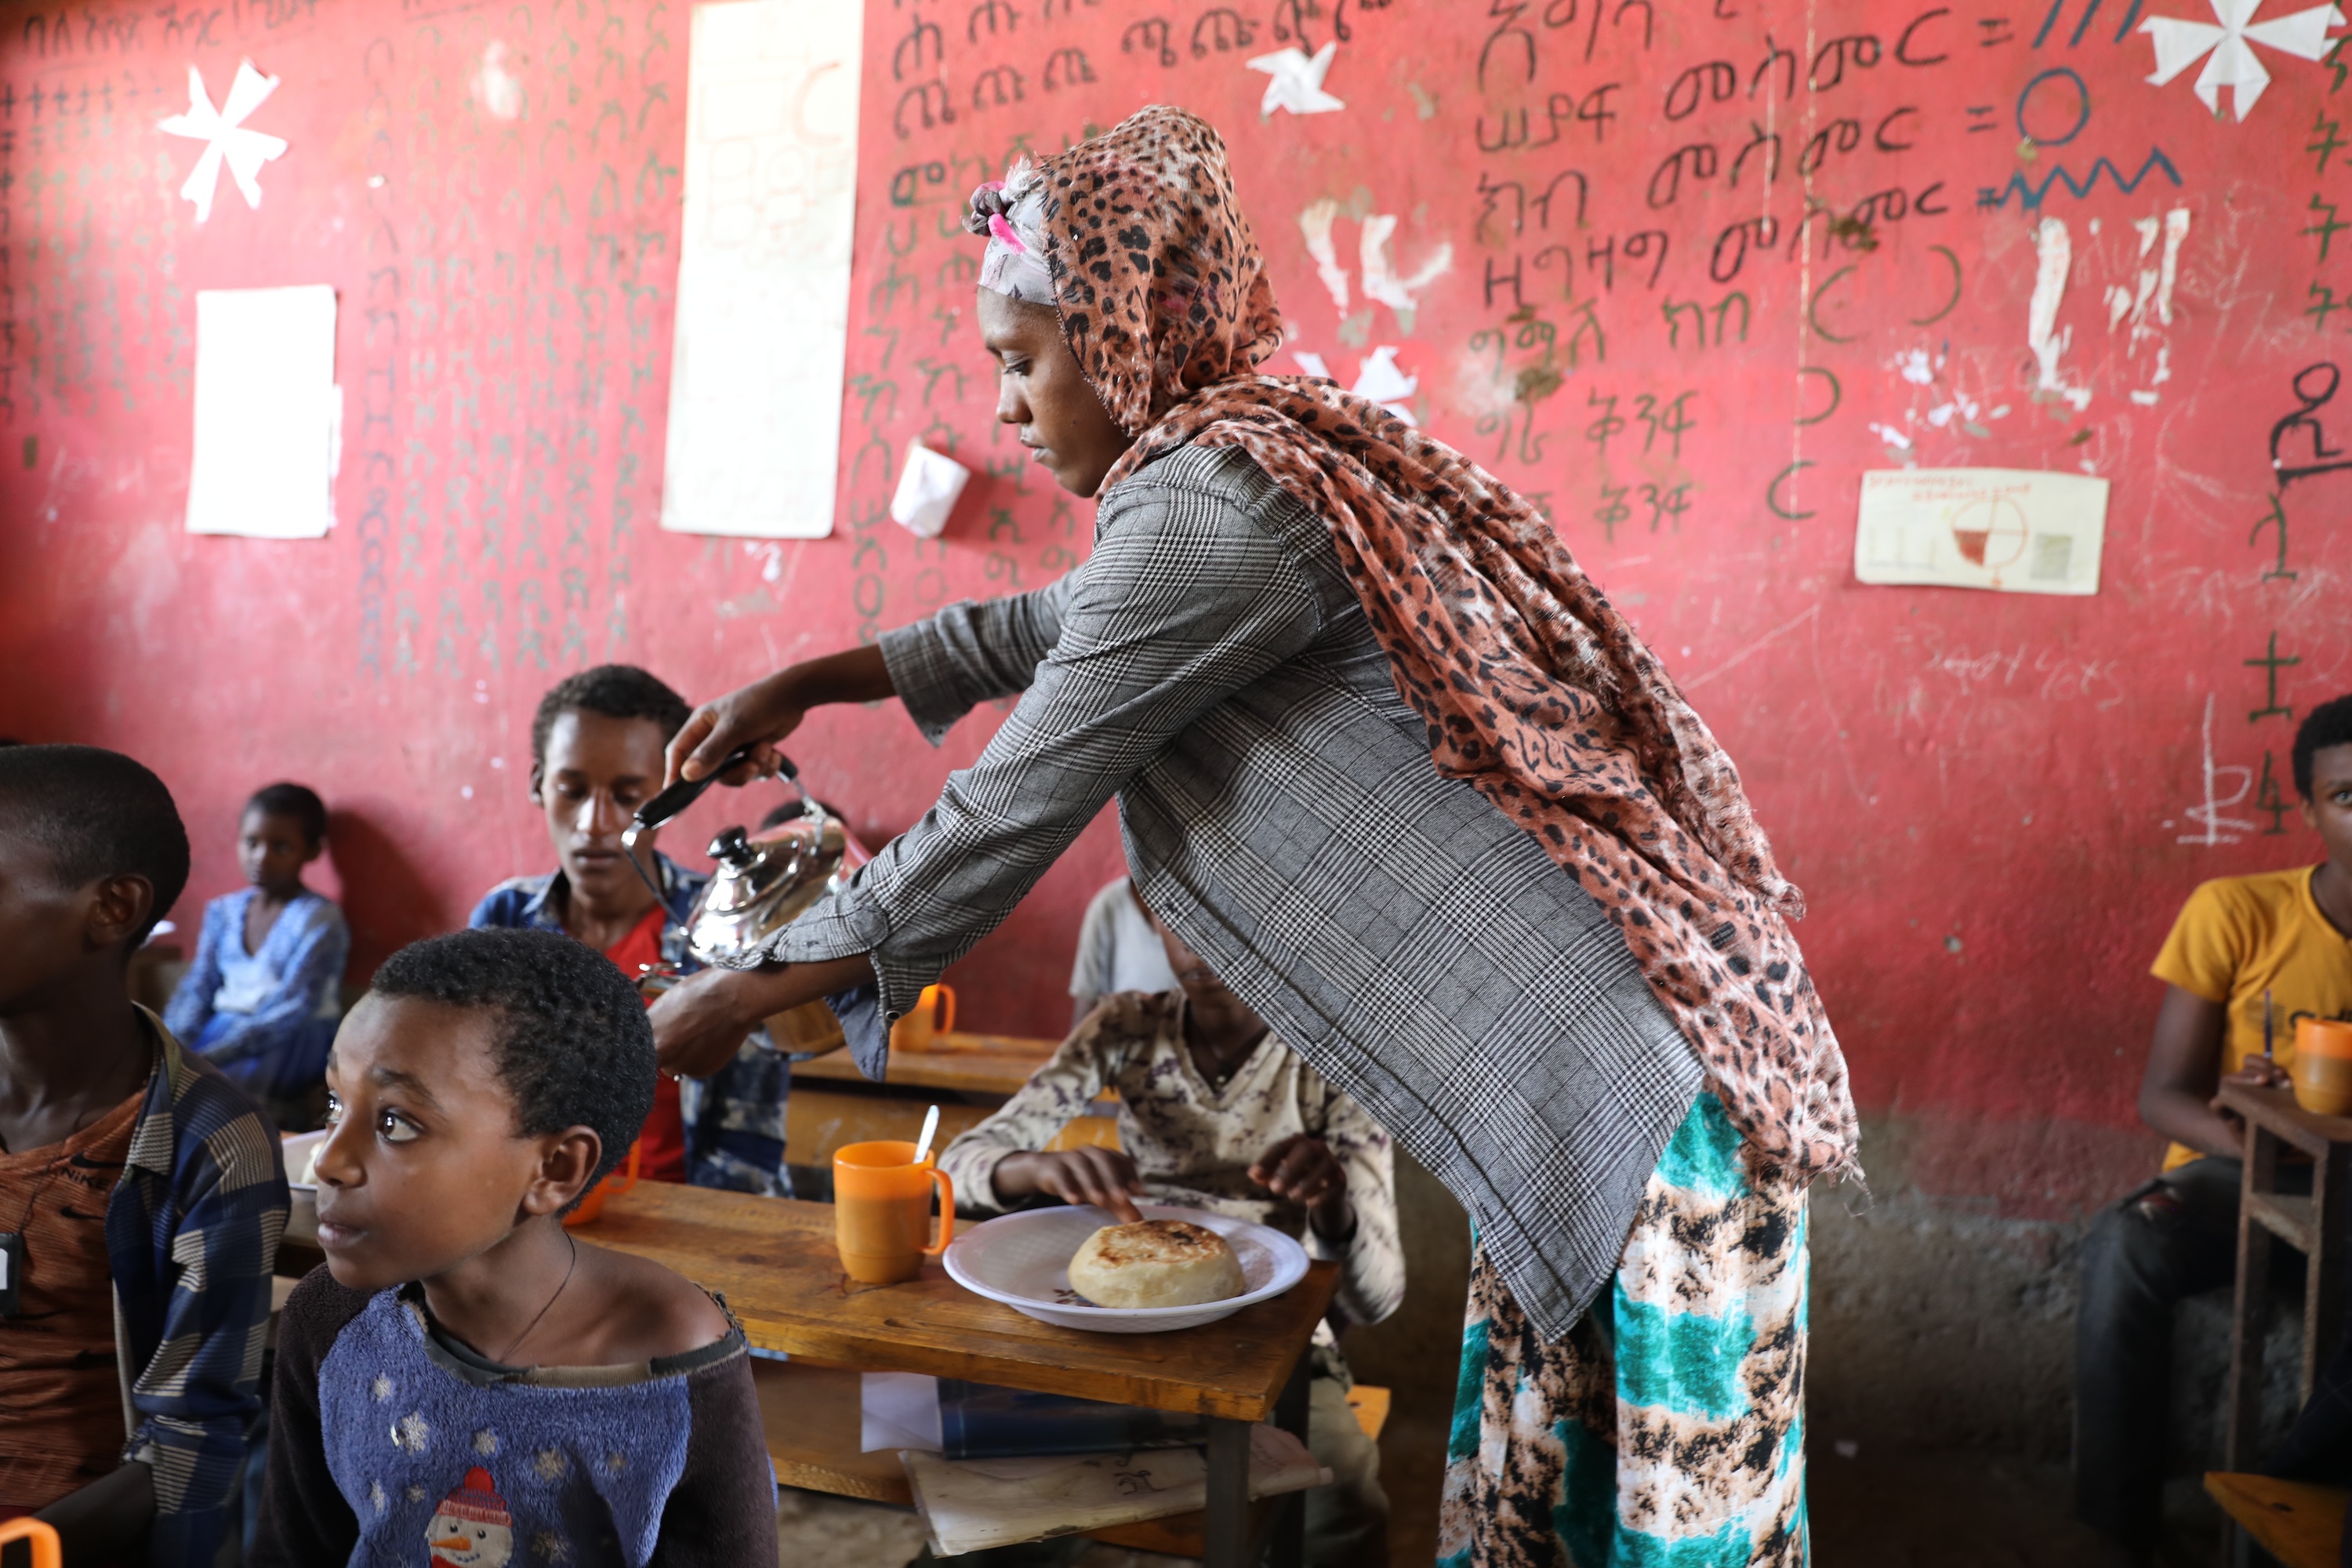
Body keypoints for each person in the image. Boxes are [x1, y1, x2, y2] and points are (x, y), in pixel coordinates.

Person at [645, 107, 1851, 1566]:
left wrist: (743, 988)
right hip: (1606, 1072)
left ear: (1129, 334)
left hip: (1619, 1093)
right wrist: (818, 679)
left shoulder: (1214, 505)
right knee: (1576, 1509)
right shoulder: (1240, 467)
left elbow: (1010, 802)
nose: (1011, 411)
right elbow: (1056, 626)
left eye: (1023, 363)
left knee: (1652, 1530)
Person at [251, 927, 777, 1566]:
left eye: (396, 1121)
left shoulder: (673, 1363)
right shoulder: (333, 1322)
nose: (330, 1160)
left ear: (555, 1169)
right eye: (336, 1102)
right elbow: (294, 1552)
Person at [940, 902, 1397, 1565]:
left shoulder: (1334, 1053)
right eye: (1179, 910)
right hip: (1113, 1317)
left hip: (1272, 1338)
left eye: (1227, 904)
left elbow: (1377, 1298)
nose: (1201, 935)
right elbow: (955, 1166)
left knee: (1343, 1505)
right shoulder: (1128, 1023)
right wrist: (1033, 1165)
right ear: (1151, 915)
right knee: (994, 1503)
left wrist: (1332, 1200)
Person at [2075, 693, 2352, 1564]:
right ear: (2307, 808)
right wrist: (2260, 1130)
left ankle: (2302, 1504)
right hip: (2240, 1173)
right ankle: (2115, 1524)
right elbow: (2164, 1094)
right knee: (2129, 1242)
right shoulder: (2236, 911)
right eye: (2347, 796)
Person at [0, 744, 288, 1566]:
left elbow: (192, 1438)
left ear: (113, 907)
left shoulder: (208, 1141)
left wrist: (31, 1544)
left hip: (71, 1524)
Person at [472, 666, 793, 1194]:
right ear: (537, 785)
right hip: (533, 1216)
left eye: (627, 796)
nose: (595, 823)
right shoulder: (504, 921)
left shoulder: (726, 925)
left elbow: (749, 1143)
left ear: (671, 796)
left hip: (685, 1217)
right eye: (572, 790)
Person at [163, 781, 350, 1131]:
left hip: (288, 1039)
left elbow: (291, 1009)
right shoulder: (224, 912)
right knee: (165, 1084)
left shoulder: (319, 919)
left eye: (281, 847)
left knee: (220, 1102)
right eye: (252, 843)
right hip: (223, 1030)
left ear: (311, 852)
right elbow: (198, 987)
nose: (261, 857)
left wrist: (209, 1058)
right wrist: (173, 1044)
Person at [1065, 878, 1178, 1029]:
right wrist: (1076, 1050)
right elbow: (1087, 998)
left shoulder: (1205, 902)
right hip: (1125, 1046)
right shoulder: (1110, 904)